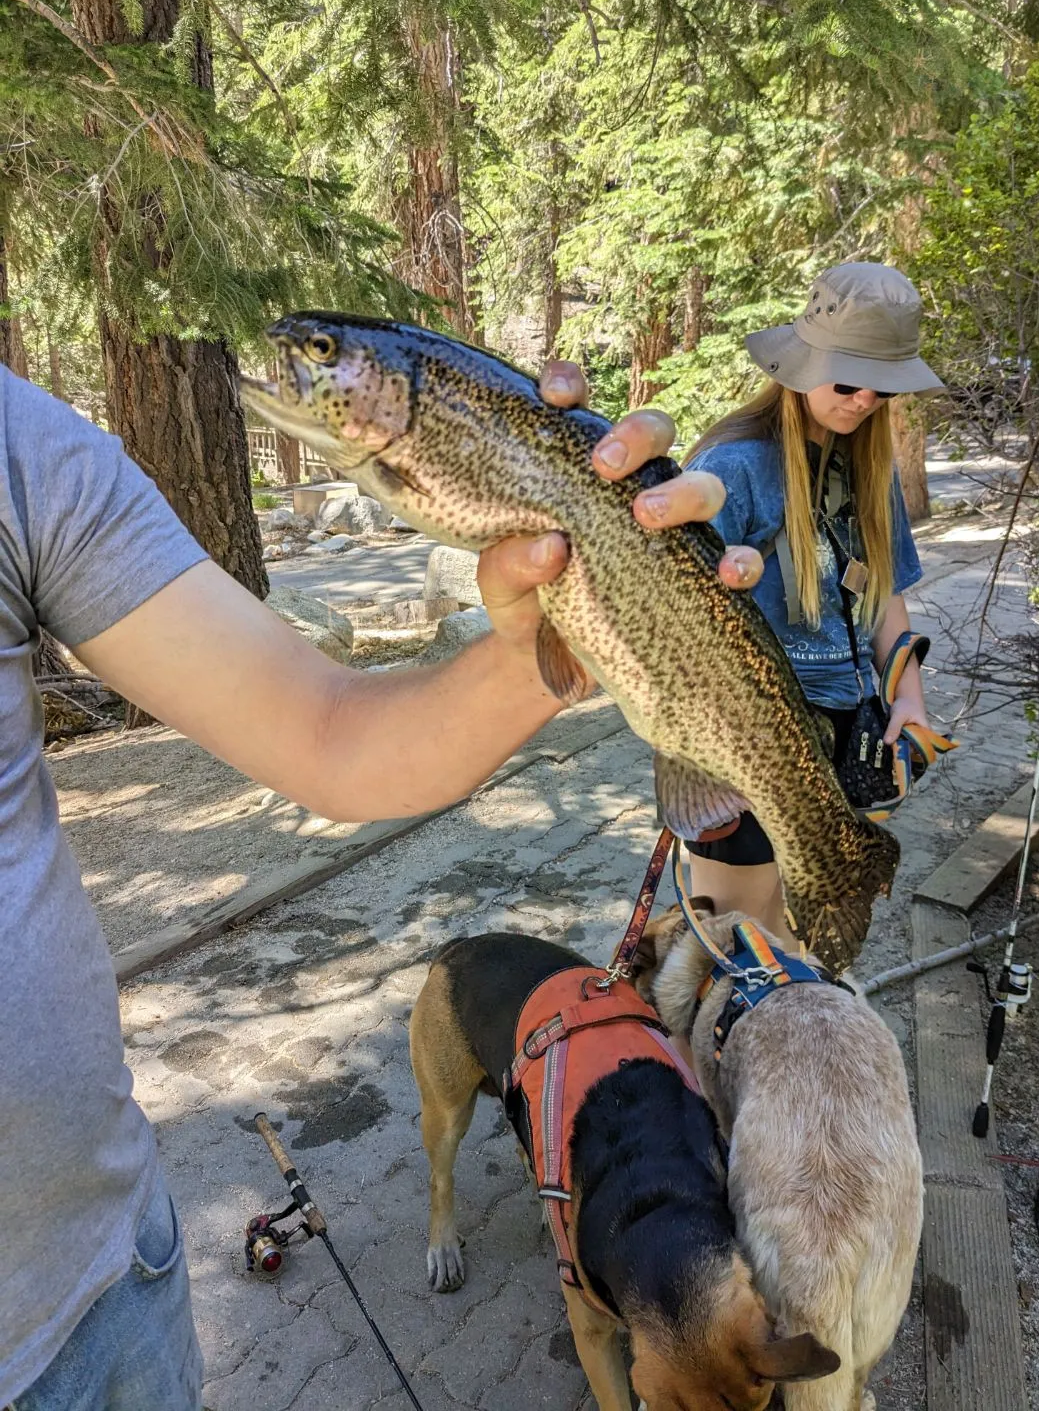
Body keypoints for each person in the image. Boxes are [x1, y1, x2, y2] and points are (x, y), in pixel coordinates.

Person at [0, 355, 763, 1411]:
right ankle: (447, 1203)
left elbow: (331, 732)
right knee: (452, 1125)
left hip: (109, 1283)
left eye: (319, 362)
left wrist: (567, 636)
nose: (285, 367)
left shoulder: (24, 451)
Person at [685, 262, 944, 938]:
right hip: (755, 739)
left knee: (807, 940)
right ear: (800, 365)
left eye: (882, 387)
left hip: (850, 730)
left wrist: (908, 700)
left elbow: (883, 592)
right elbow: (687, 629)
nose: (863, 401)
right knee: (736, 944)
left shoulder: (870, 462)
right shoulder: (731, 465)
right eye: (849, 380)